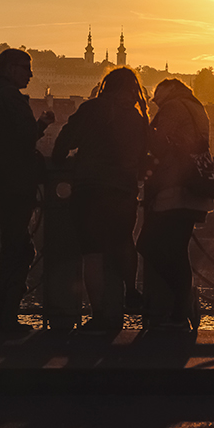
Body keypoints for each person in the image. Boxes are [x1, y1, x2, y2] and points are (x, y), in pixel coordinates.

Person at [52, 67, 149, 333]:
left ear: (107, 86)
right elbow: (143, 157)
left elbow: (66, 139)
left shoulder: (92, 109)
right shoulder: (138, 118)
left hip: (89, 189)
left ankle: (99, 314)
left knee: (92, 253)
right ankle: (131, 291)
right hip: (123, 190)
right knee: (124, 241)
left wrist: (60, 160)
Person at [0, 48, 55, 333]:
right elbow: (24, 137)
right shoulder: (10, 97)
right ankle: (3, 318)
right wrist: (42, 124)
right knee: (17, 250)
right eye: (25, 67)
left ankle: (1, 317)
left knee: (16, 247)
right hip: (12, 183)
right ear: (9, 68)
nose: (30, 73)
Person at [137, 78, 214, 332]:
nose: (153, 97)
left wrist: (144, 123)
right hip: (196, 188)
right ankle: (181, 309)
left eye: (157, 91)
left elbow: (157, 146)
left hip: (174, 188)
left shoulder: (172, 108)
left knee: (148, 245)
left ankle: (184, 301)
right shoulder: (197, 108)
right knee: (177, 250)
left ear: (169, 88)